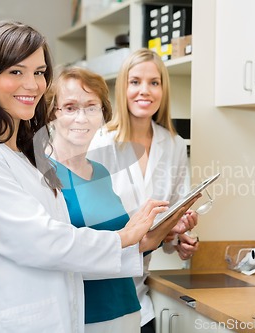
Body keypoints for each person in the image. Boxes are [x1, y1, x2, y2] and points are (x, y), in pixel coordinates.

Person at [0, 21, 193, 333]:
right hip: (9, 320)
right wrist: (124, 237)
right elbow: (39, 241)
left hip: (63, 317)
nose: (32, 84)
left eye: (39, 72)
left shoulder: (25, 159)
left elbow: (63, 252)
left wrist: (143, 242)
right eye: (16, 71)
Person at [45, 66, 194, 332]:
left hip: (127, 309)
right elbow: (58, 254)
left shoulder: (99, 172)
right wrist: (130, 236)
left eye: (92, 107)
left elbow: (124, 246)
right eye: (69, 107)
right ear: (51, 113)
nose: (82, 117)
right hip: (83, 316)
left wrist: (160, 231)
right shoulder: (43, 174)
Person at [89, 48, 200, 333]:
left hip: (140, 297)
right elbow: (88, 224)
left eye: (154, 82)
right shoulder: (102, 142)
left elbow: (171, 212)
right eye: (135, 81)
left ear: (163, 89)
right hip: (100, 291)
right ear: (123, 87)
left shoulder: (173, 144)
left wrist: (179, 235)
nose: (145, 91)